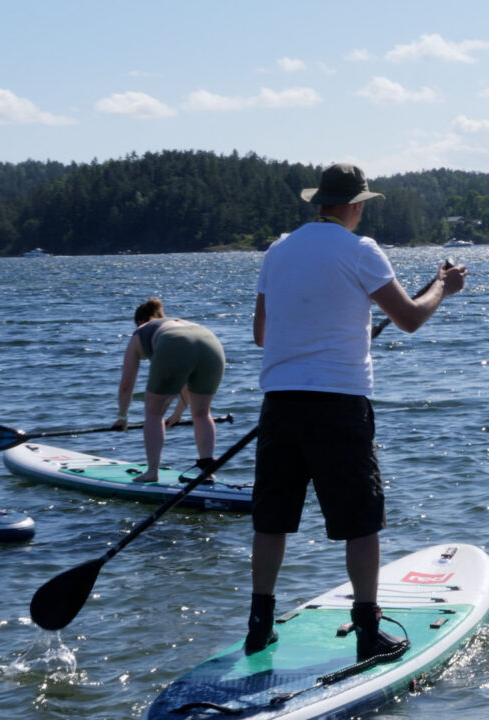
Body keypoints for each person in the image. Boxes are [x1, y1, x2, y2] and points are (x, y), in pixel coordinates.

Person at [246, 162, 466, 662]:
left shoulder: (277, 252)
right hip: (339, 405)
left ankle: (259, 625)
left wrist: (341, 334)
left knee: (271, 520)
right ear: (355, 205)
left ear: (319, 202)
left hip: (280, 403)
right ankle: (367, 629)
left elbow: (264, 335)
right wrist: (442, 288)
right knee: (361, 522)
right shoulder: (360, 249)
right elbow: (409, 317)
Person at [113, 298, 226, 483]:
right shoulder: (175, 322)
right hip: (210, 342)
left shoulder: (140, 332)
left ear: (140, 321)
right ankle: (208, 472)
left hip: (174, 343)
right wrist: (176, 415)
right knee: (202, 413)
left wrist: (123, 417)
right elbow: (184, 386)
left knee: (154, 413)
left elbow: (127, 384)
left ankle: (152, 472)